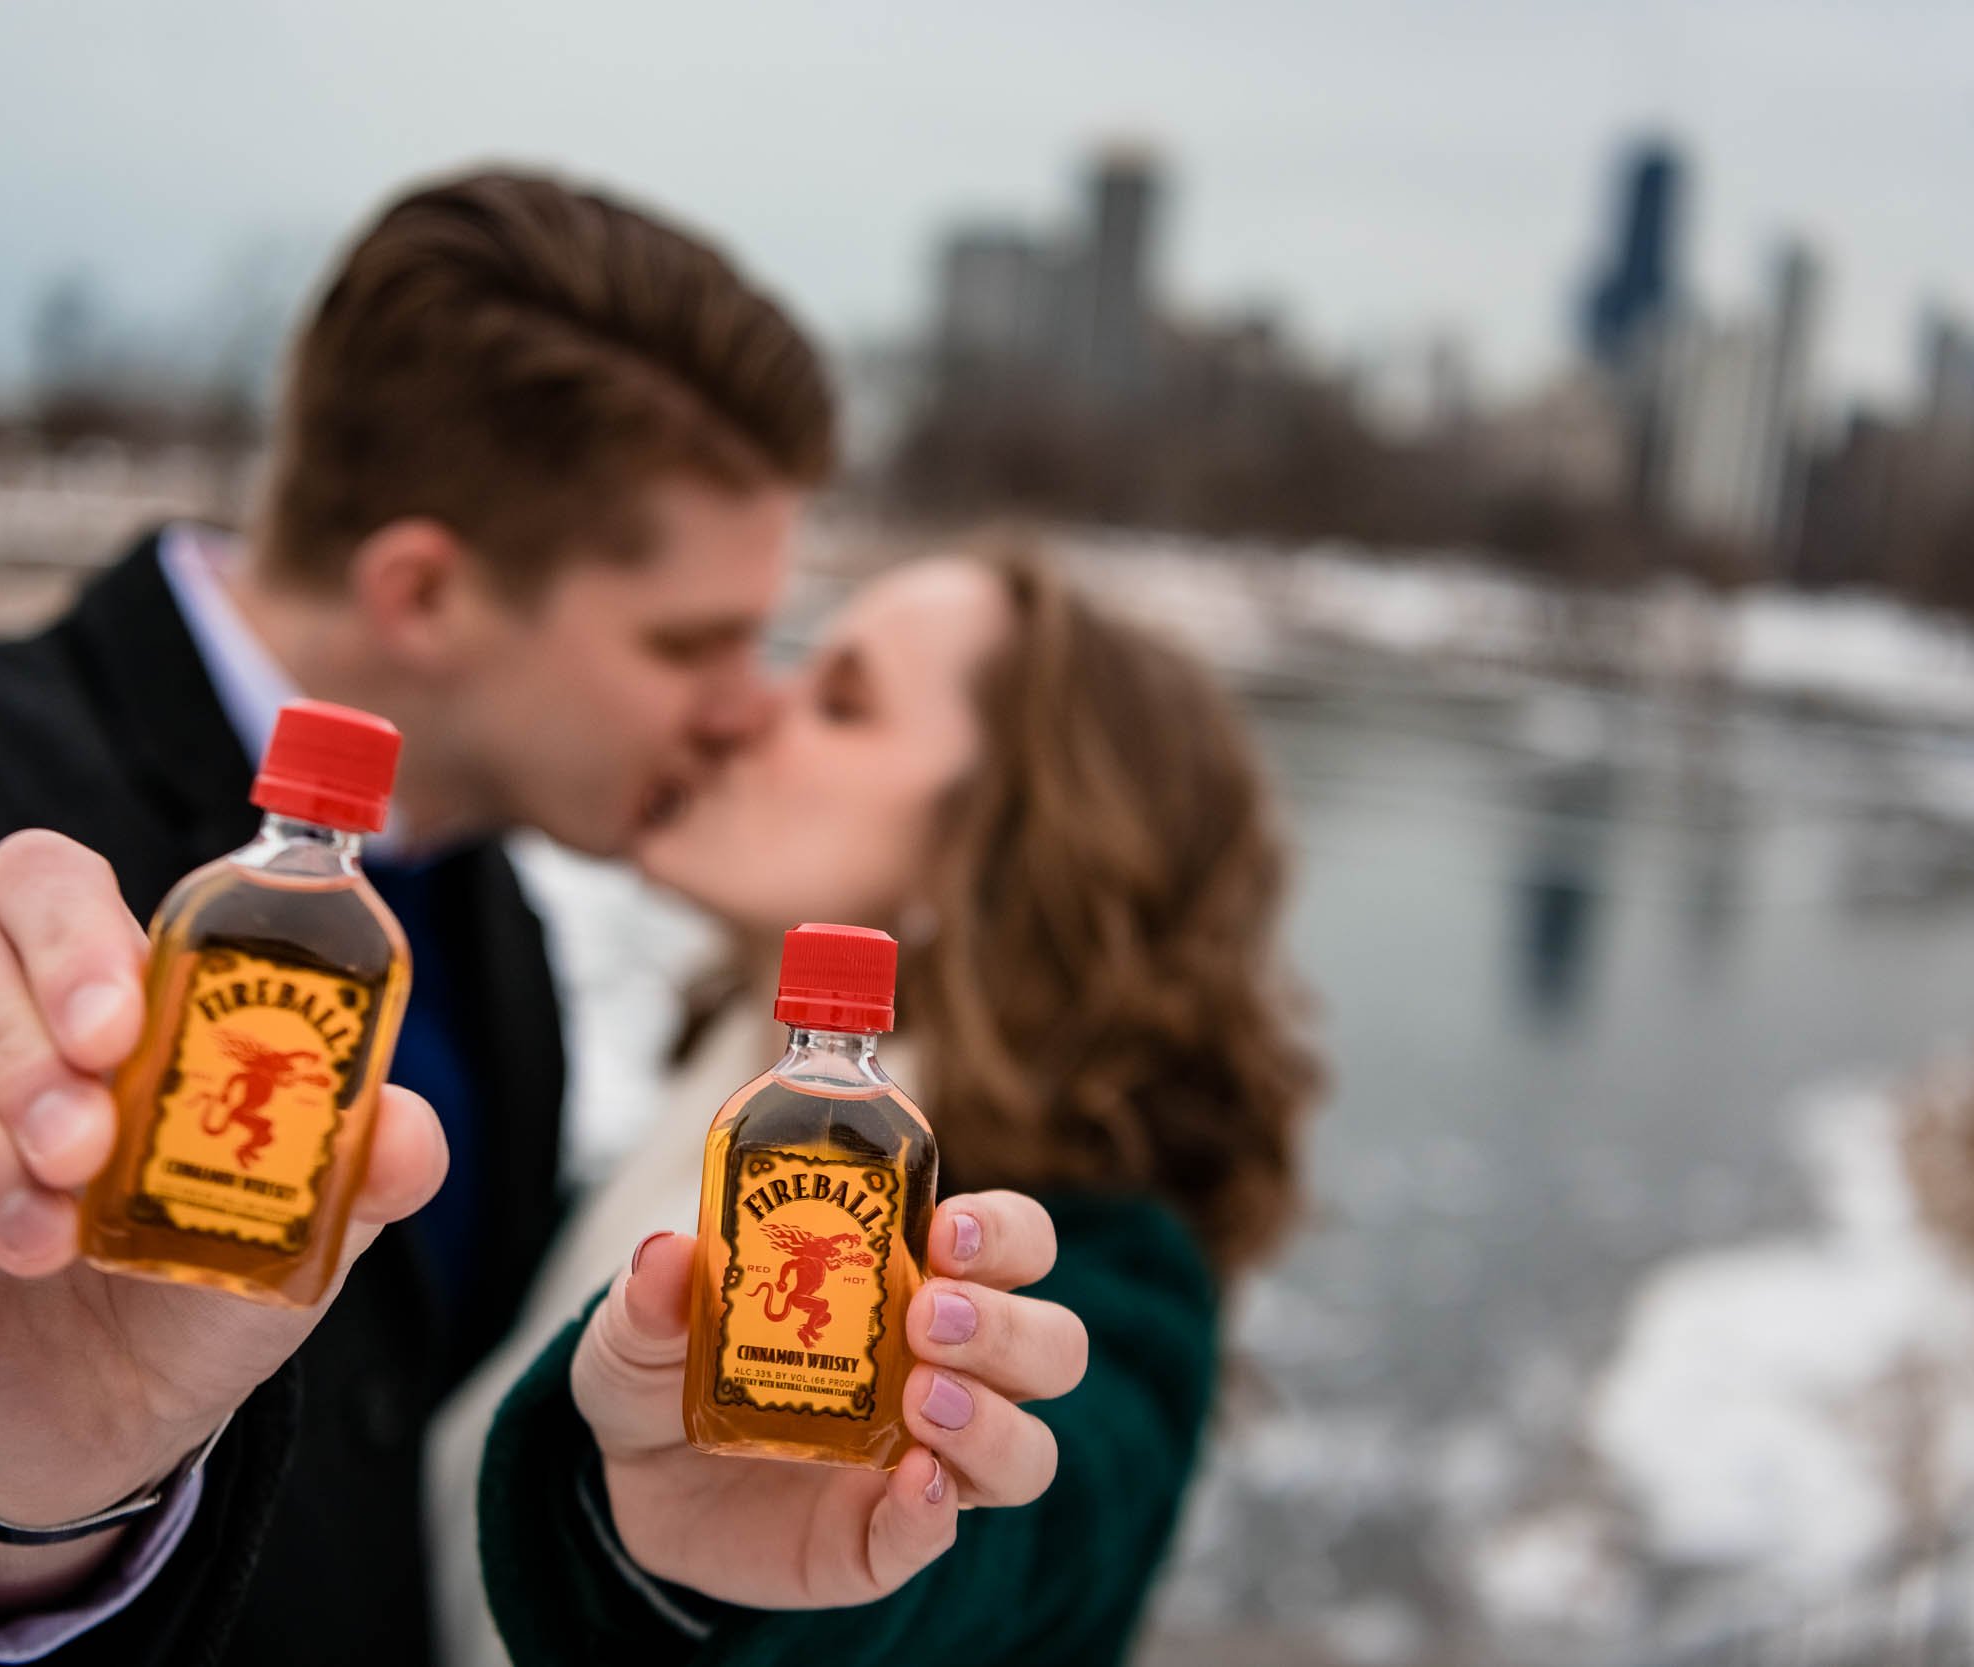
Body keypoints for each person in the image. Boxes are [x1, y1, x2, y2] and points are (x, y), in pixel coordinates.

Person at [0, 168, 881, 1666]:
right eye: (693, 641)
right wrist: (9, 1502)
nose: (752, 704)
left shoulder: (492, 912)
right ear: (425, 590)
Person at [436, 541, 1323, 1664]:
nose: (746, 709)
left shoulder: (1106, 1275)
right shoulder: (706, 1108)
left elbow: (1001, 1565)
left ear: (986, 856)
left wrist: (741, 1570)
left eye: (840, 703)